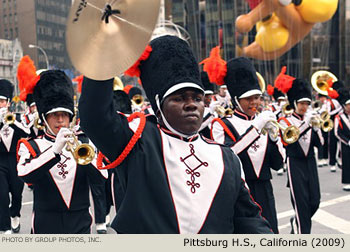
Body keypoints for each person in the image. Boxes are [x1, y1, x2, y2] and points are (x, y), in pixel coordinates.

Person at [79, 35, 273, 234]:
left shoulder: (226, 158)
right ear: (159, 105)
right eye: (179, 98)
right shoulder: (138, 141)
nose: (191, 104)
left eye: (197, 98)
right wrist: (104, 52)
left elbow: (249, 220)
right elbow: (95, 117)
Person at [16, 70, 107, 234]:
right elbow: (24, 174)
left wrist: (82, 154)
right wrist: (54, 151)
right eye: (54, 115)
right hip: (46, 223)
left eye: (65, 115)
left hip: (80, 221)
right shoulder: (31, 145)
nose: (60, 120)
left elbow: (102, 178)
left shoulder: (83, 142)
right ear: (44, 118)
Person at [208, 57, 285, 234]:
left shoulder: (264, 121)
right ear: (236, 99)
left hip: (265, 188)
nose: (254, 103)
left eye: (257, 98)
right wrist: (256, 128)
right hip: (239, 191)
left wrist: (274, 138)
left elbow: (278, 164)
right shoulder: (222, 124)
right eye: (248, 99)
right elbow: (228, 157)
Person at [276, 76, 324, 234]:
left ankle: (296, 221)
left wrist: (317, 128)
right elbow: (287, 141)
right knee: (301, 203)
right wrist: (306, 124)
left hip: (310, 162)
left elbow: (321, 144)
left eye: (307, 103)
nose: (304, 107)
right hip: (294, 163)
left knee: (315, 201)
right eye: (302, 103)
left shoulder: (311, 120)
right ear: (295, 103)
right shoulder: (284, 121)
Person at [0, 79, 30, 234]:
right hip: (0, 161)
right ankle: (5, 227)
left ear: (8, 103)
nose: (0, 104)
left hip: (15, 159)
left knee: (17, 193)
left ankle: (15, 214)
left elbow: (27, 133)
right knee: (2, 194)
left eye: (2, 101)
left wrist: (10, 121)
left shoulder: (18, 118)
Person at [334, 88, 350, 191]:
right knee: (347, 162)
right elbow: (337, 132)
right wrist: (347, 141)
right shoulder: (339, 117)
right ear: (344, 106)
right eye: (348, 105)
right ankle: (347, 182)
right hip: (345, 143)